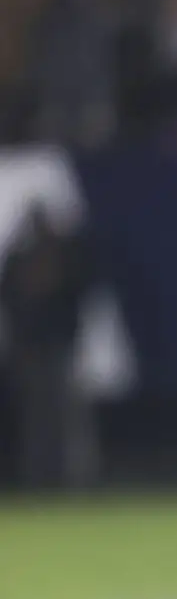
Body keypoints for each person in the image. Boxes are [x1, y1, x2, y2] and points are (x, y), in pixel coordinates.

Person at [0, 203, 97, 489]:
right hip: (29, 349)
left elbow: (82, 292)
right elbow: (8, 297)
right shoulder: (18, 260)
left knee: (68, 418)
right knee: (35, 420)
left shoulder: (67, 258)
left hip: (61, 348)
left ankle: (75, 479)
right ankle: (37, 477)